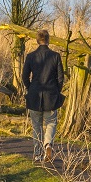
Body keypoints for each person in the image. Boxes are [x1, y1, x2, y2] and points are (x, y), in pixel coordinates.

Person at [21, 29, 65, 161]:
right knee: (51, 122)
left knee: (36, 125)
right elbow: (61, 78)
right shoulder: (56, 56)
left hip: (34, 94)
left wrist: (30, 88)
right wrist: (56, 90)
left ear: (37, 40)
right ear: (48, 40)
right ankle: (48, 145)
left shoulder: (30, 56)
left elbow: (24, 77)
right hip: (51, 95)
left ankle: (37, 153)